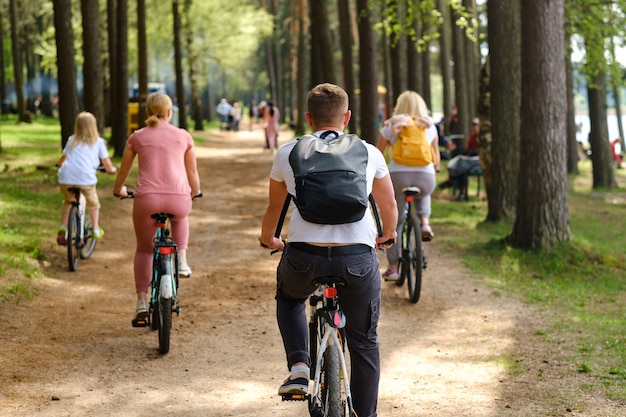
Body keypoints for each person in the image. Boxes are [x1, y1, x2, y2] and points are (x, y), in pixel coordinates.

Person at [258, 83, 397, 417]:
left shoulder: (287, 152)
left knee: (290, 298)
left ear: (308, 118)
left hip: (305, 255)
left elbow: (274, 210)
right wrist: (387, 235)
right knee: (364, 342)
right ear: (346, 117)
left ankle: (300, 368)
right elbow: (388, 203)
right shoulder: (369, 152)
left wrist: (270, 240)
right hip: (357, 258)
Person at [112, 92, 201, 326]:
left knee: (144, 250)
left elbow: (124, 170)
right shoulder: (184, 136)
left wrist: (118, 189)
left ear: (147, 113)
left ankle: (141, 302)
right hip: (178, 199)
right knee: (181, 217)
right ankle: (181, 259)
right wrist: (195, 191)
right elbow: (191, 172)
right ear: (170, 112)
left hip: (146, 200)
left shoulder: (137, 137)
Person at [375, 90, 439, 281]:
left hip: (398, 176)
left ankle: (393, 268)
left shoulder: (392, 125)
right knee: (424, 190)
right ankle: (425, 221)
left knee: (395, 221)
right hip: (425, 176)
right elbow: (435, 159)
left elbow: (377, 154)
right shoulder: (429, 126)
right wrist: (433, 170)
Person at [56, 111, 117, 245]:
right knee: (93, 203)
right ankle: (95, 228)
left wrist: (58, 164)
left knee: (69, 201)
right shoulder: (99, 142)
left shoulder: (71, 140)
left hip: (66, 178)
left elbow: (63, 157)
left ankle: (63, 227)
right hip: (85, 179)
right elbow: (106, 163)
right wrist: (111, 170)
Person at [439, 117, 481, 201]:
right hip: (469, 160)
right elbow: (467, 150)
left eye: (476, 125)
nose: (475, 127)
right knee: (460, 167)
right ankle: (461, 191)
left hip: (477, 161)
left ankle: (452, 181)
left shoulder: (482, 137)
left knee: (461, 165)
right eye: (473, 125)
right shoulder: (472, 137)